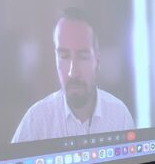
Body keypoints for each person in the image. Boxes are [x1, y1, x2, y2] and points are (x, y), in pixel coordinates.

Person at [11, 8, 134, 143]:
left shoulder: (119, 115)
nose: (72, 72)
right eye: (64, 56)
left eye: (83, 57)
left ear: (97, 61)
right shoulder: (36, 120)